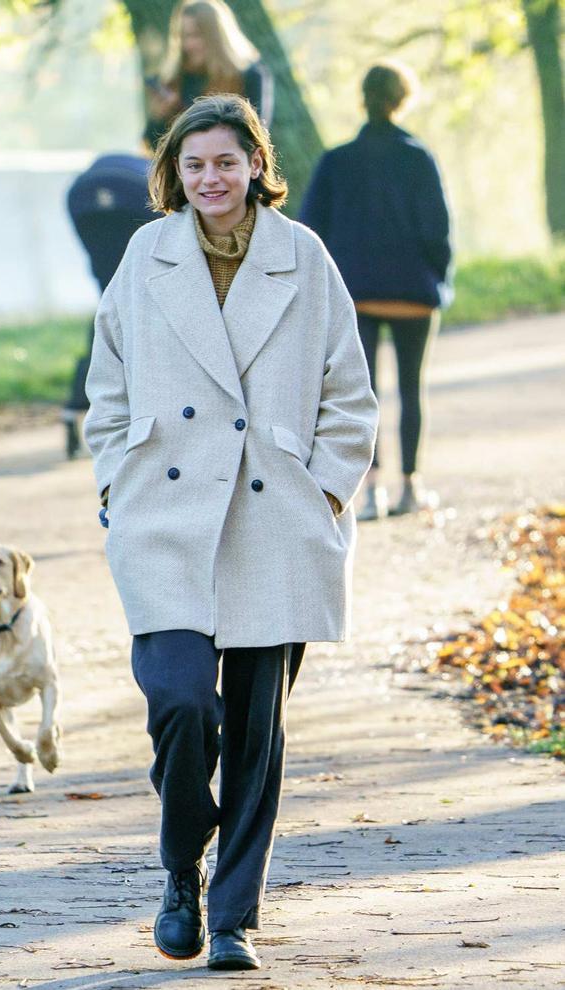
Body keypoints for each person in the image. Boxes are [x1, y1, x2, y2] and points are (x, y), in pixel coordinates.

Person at [84, 94, 377, 971]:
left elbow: (349, 393)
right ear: (173, 173)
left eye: (226, 161)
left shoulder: (305, 257)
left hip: (274, 516)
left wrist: (323, 494)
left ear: (257, 164)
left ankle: (230, 919)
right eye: (193, 164)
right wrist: (114, 479)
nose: (209, 178)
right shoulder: (147, 255)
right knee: (179, 702)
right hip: (165, 516)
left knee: (255, 731)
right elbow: (108, 380)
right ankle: (183, 869)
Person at [300, 60, 453, 519]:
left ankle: (369, 492)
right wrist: (437, 280)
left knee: (359, 394)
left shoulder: (336, 161)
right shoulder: (418, 157)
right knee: (411, 389)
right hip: (412, 293)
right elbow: (437, 230)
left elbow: (311, 229)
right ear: (402, 99)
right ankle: (411, 486)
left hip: (355, 295)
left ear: (362, 98)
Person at [63, 154, 155, 458]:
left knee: (108, 308)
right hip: (131, 202)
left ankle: (75, 406)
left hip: (87, 207)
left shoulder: (127, 168)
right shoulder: (149, 174)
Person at [143, 0, 273, 150]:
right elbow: (152, 146)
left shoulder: (250, 76)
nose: (188, 45)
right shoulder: (176, 79)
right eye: (183, 36)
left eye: (195, 35)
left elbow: (256, 137)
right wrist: (162, 115)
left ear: (216, 35)